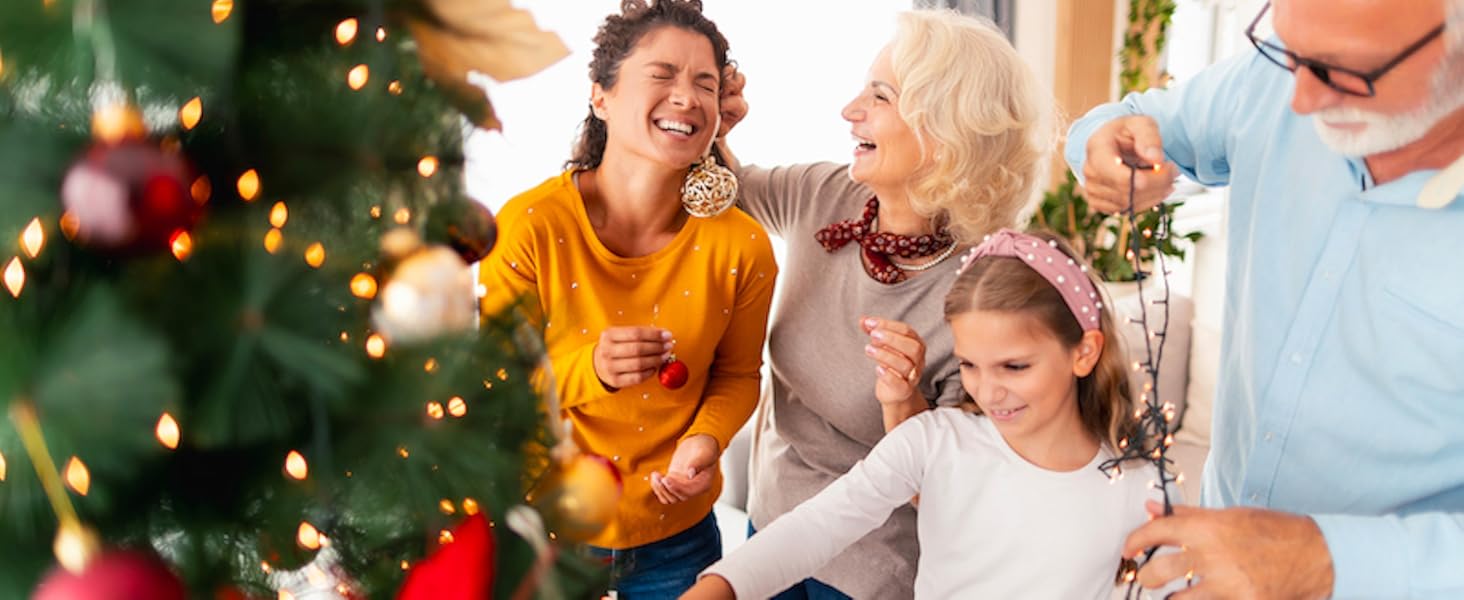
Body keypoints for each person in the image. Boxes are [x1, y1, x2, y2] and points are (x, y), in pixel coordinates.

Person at [1066, 0, 1464, 597]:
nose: (1299, 101)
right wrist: (1104, 144)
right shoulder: (1273, 82)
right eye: (1288, 48)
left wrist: (1325, 561)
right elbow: (1125, 119)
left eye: (1341, 70)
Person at [693, 11, 1056, 598]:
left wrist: (902, 399)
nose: (849, 110)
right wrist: (712, 125)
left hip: (874, 572)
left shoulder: (987, 293)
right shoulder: (824, 193)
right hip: (771, 534)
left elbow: (948, 492)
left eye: (879, 97)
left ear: (945, 132)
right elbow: (718, 188)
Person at [676, 229, 1162, 600]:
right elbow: (818, 526)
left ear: (1084, 352)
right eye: (970, 365)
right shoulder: (935, 441)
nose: (989, 391)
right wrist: (720, 587)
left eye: (1014, 366)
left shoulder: (1141, 486)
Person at [477, 0, 777, 596]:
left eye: (705, 83)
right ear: (601, 97)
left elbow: (740, 374)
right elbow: (491, 381)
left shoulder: (742, 245)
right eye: (662, 75)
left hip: (678, 538)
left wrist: (706, 440)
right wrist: (589, 369)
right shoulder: (530, 226)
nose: (687, 97)